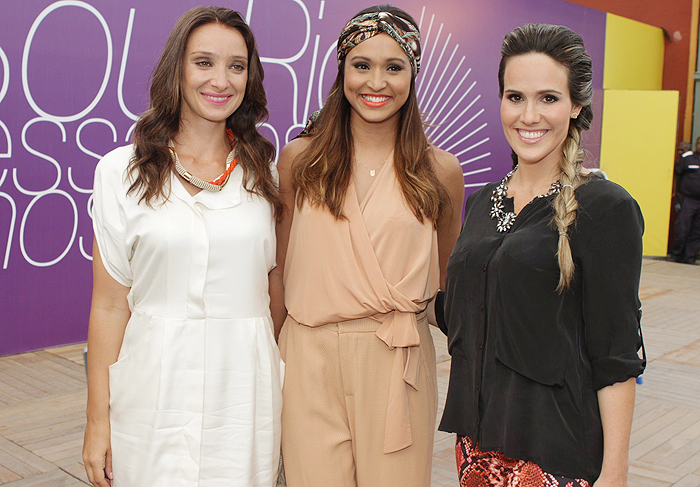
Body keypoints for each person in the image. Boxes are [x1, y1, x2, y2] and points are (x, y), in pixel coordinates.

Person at [435, 23, 645, 487]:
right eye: (515, 97)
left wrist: (616, 471)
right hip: (477, 448)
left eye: (548, 98)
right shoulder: (481, 201)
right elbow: (478, 310)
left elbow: (615, 353)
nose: (528, 115)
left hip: (557, 454)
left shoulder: (605, 208)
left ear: (577, 106)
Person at [82, 7, 283, 487]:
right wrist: (96, 421)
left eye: (237, 66)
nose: (221, 80)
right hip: (151, 392)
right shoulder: (120, 172)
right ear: (177, 69)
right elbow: (110, 307)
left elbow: (277, 292)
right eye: (204, 62)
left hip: (243, 395)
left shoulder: (267, 174)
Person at [270, 5, 464, 486]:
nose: (376, 82)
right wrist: (265, 356)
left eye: (394, 67)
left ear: (413, 75)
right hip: (307, 358)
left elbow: (450, 285)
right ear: (342, 71)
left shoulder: (441, 172)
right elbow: (278, 268)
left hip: (397, 362)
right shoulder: (299, 161)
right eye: (362, 65)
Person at [670, 137, 700, 263]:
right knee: (682, 228)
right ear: (696, 144)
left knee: (697, 231)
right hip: (688, 200)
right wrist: (678, 198)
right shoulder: (688, 159)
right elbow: (677, 174)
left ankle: (689, 258)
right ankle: (676, 256)